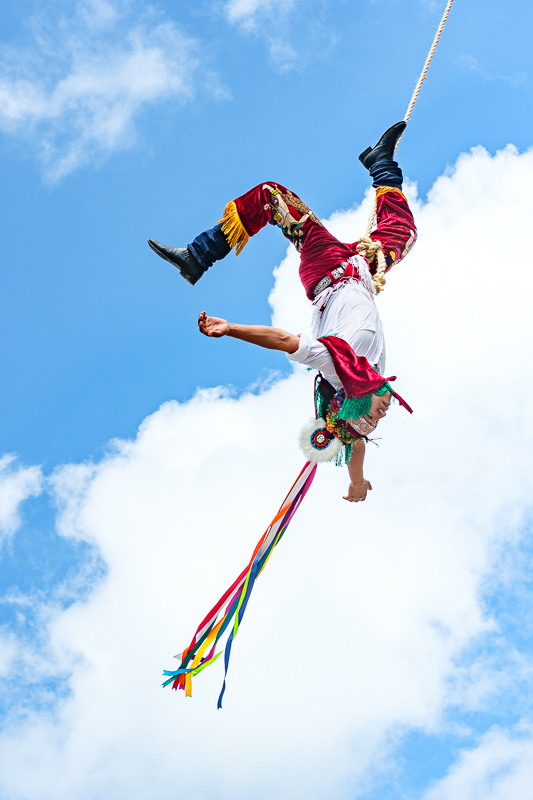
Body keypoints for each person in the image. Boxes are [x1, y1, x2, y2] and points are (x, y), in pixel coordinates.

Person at [148, 122, 417, 502]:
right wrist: (356, 481)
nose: (382, 416)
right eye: (376, 421)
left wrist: (231, 328)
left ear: (354, 400)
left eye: (371, 416)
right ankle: (380, 162)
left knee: (272, 197)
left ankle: (199, 254)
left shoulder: (336, 363)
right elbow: (355, 444)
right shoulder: (369, 372)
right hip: (362, 270)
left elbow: (282, 340)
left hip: (330, 269)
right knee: (403, 232)